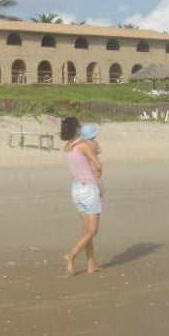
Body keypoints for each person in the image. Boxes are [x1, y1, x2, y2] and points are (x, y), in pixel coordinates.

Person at [60, 116, 103, 276]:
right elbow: (98, 165)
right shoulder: (83, 145)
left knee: (87, 230)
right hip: (88, 188)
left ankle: (91, 264)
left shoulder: (67, 147)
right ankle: (71, 255)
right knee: (92, 230)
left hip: (76, 189)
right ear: (76, 129)